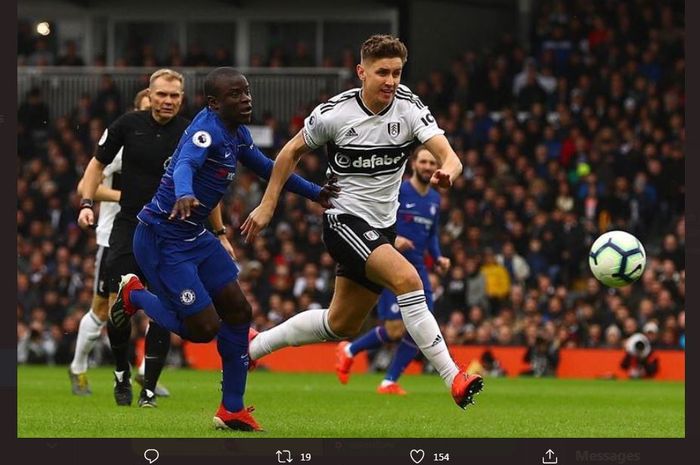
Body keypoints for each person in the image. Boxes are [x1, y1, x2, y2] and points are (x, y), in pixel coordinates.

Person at [242, 34, 484, 409]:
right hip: (343, 220)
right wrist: (268, 204)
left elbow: (449, 156)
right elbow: (289, 152)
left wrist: (449, 171)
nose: (390, 81)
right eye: (382, 72)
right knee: (408, 280)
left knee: (342, 324)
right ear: (361, 72)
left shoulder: (409, 108)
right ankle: (454, 376)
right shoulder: (335, 114)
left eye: (397, 73)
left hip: (382, 228)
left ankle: (254, 346)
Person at [106, 67, 337, 431]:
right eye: (236, 95)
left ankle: (231, 409)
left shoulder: (236, 132)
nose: (246, 99)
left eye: (246, 92)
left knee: (238, 310)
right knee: (202, 328)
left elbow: (266, 167)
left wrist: (314, 193)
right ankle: (134, 294)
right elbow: (185, 164)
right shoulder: (205, 132)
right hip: (161, 238)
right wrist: (184, 192)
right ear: (214, 103)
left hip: (194, 235)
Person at [77, 69, 190, 407]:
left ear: (181, 98)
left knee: (165, 311)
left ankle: (149, 390)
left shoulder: (190, 131)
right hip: (129, 227)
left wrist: (218, 230)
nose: (167, 101)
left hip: (170, 229)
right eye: (162, 95)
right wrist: (87, 202)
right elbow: (96, 165)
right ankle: (122, 376)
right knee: (117, 309)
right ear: (150, 94)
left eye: (174, 96)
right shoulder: (127, 125)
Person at [334, 146, 450, 395]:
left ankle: (389, 381)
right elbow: (376, 219)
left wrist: (438, 257)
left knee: (424, 327)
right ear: (413, 164)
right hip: (391, 265)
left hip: (418, 269)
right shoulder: (399, 191)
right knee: (396, 330)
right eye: (424, 162)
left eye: (432, 163)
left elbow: (432, 235)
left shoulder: (435, 200)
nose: (428, 167)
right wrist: (393, 240)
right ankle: (349, 350)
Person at [69, 88, 150, 395]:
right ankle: (77, 368)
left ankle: (147, 372)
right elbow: (85, 186)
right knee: (106, 310)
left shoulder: (165, 142)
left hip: (152, 235)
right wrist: (129, 198)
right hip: (113, 236)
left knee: (161, 304)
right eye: (145, 108)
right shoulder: (122, 144)